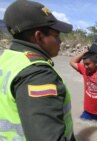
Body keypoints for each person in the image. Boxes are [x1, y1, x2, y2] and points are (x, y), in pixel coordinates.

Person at [0, 0, 77, 141]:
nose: (60, 42)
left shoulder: (7, 59)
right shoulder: (38, 75)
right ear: (39, 37)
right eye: (56, 35)